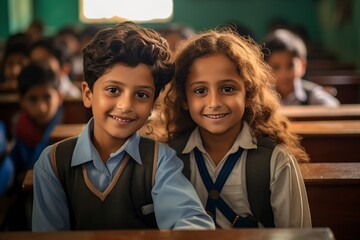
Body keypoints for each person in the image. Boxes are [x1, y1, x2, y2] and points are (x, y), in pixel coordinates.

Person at [32, 21, 215, 231]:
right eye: (113, 90)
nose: (126, 105)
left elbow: (193, 223)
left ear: (153, 105)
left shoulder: (160, 161)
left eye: (141, 95)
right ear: (88, 94)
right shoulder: (53, 163)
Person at [151, 28, 312, 228]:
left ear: (249, 94)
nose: (214, 102)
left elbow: (297, 234)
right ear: (184, 99)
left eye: (228, 89)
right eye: (200, 90)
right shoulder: (168, 159)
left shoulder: (276, 161)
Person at [3, 61, 63, 230]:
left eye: (47, 97)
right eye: (33, 99)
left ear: (59, 97)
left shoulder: (70, 124)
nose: (42, 107)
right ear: (21, 101)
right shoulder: (19, 129)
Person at [262, 29, 340, 106]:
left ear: (303, 65)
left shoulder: (312, 94)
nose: (284, 73)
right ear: (266, 69)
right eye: (276, 67)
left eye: (290, 65)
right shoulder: (263, 97)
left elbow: (335, 109)